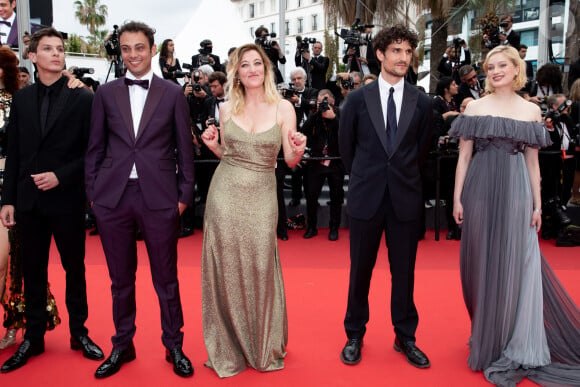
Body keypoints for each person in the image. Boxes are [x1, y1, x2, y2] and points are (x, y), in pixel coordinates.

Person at [450, 45, 580, 386]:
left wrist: (537, 205)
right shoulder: (475, 107)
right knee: (478, 264)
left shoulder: (530, 111)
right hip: (478, 188)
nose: (494, 71)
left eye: (501, 65)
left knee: (513, 265)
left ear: (516, 68)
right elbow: (463, 157)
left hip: (516, 191)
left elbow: (532, 163)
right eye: (490, 66)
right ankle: (487, 332)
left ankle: (510, 340)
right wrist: (456, 199)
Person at [85, 21, 195, 379]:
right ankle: (122, 345)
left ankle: (173, 345)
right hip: (112, 199)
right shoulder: (105, 93)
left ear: (152, 50)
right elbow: (95, 148)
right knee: (120, 280)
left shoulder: (172, 93)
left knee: (166, 278)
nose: (133, 54)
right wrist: (94, 195)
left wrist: (183, 196)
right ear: (121, 51)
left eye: (140, 48)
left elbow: (184, 148)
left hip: (160, 197)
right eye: (126, 48)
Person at [0, 28, 104, 373]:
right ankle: (33, 337)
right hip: (28, 202)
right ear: (33, 57)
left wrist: (62, 175)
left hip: (67, 199)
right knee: (32, 271)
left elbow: (94, 151)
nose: (57, 54)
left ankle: (79, 333)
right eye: (49, 49)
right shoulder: (22, 99)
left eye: (60, 49)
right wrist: (8, 199)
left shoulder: (83, 98)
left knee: (75, 269)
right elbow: (13, 152)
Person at [199, 43, 306, 377]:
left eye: (257, 63)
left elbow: (288, 160)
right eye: (244, 65)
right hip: (224, 194)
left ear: (266, 68)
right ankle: (228, 342)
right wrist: (215, 146)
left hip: (262, 193)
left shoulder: (284, 108)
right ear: (237, 73)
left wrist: (299, 150)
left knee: (260, 264)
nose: (252, 69)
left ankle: (261, 342)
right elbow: (229, 155)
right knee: (225, 267)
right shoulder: (227, 107)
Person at [338, 25, 432, 368]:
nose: (403, 58)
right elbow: (346, 150)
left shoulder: (422, 102)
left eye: (408, 52)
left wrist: (400, 177)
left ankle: (405, 336)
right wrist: (367, 177)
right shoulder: (357, 100)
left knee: (404, 272)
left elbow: (421, 151)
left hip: (405, 199)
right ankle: (354, 334)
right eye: (396, 51)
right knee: (360, 270)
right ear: (380, 54)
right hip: (366, 197)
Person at [301, 89, 344, 241]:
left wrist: (334, 119)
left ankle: (334, 228)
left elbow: (347, 133)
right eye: (320, 102)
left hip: (335, 161)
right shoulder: (315, 115)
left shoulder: (340, 113)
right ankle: (311, 227)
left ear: (332, 101)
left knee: (336, 197)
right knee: (311, 196)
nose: (323, 104)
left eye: (325, 101)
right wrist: (316, 113)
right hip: (316, 161)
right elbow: (304, 131)